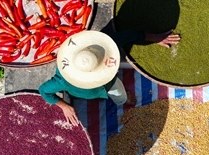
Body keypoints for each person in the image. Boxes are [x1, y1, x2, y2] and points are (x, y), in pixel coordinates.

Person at [39, 29, 180, 126]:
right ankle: (120, 99)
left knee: (119, 94)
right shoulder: (63, 80)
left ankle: (123, 100)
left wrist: (154, 38)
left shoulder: (102, 47)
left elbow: (130, 34)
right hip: (85, 94)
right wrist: (64, 106)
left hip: (110, 85)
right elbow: (43, 91)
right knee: (112, 93)